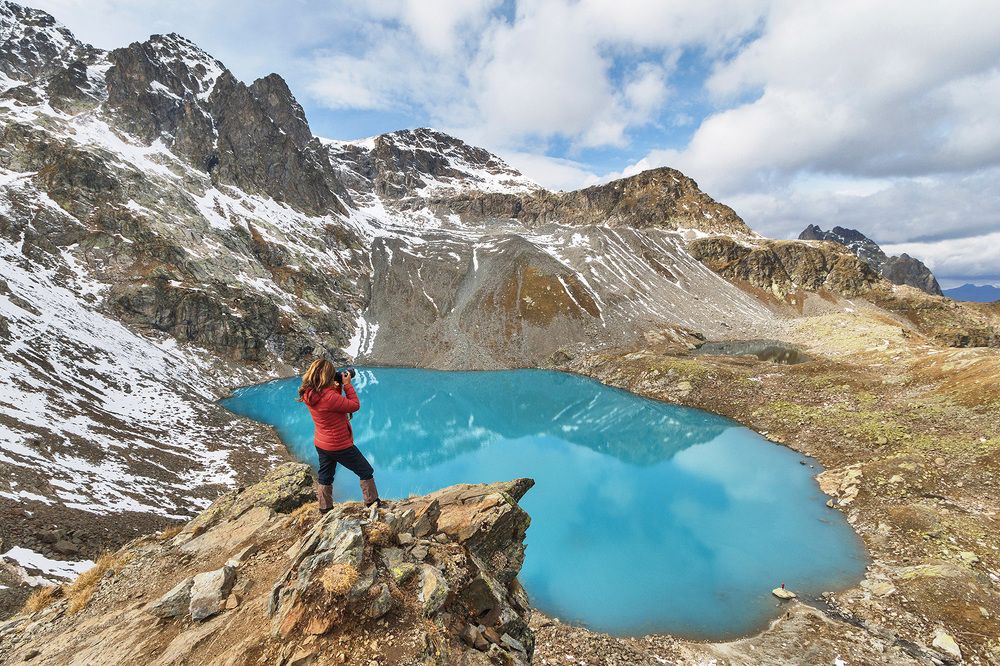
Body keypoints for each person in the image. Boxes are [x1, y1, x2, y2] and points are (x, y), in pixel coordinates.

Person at [297, 359, 380, 513]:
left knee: (325, 476)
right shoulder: (329, 397)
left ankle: (325, 509)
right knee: (365, 470)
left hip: (322, 443)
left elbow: (333, 403)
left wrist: (336, 386)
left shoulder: (309, 392)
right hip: (339, 445)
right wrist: (347, 384)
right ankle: (372, 503)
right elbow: (354, 405)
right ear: (327, 376)